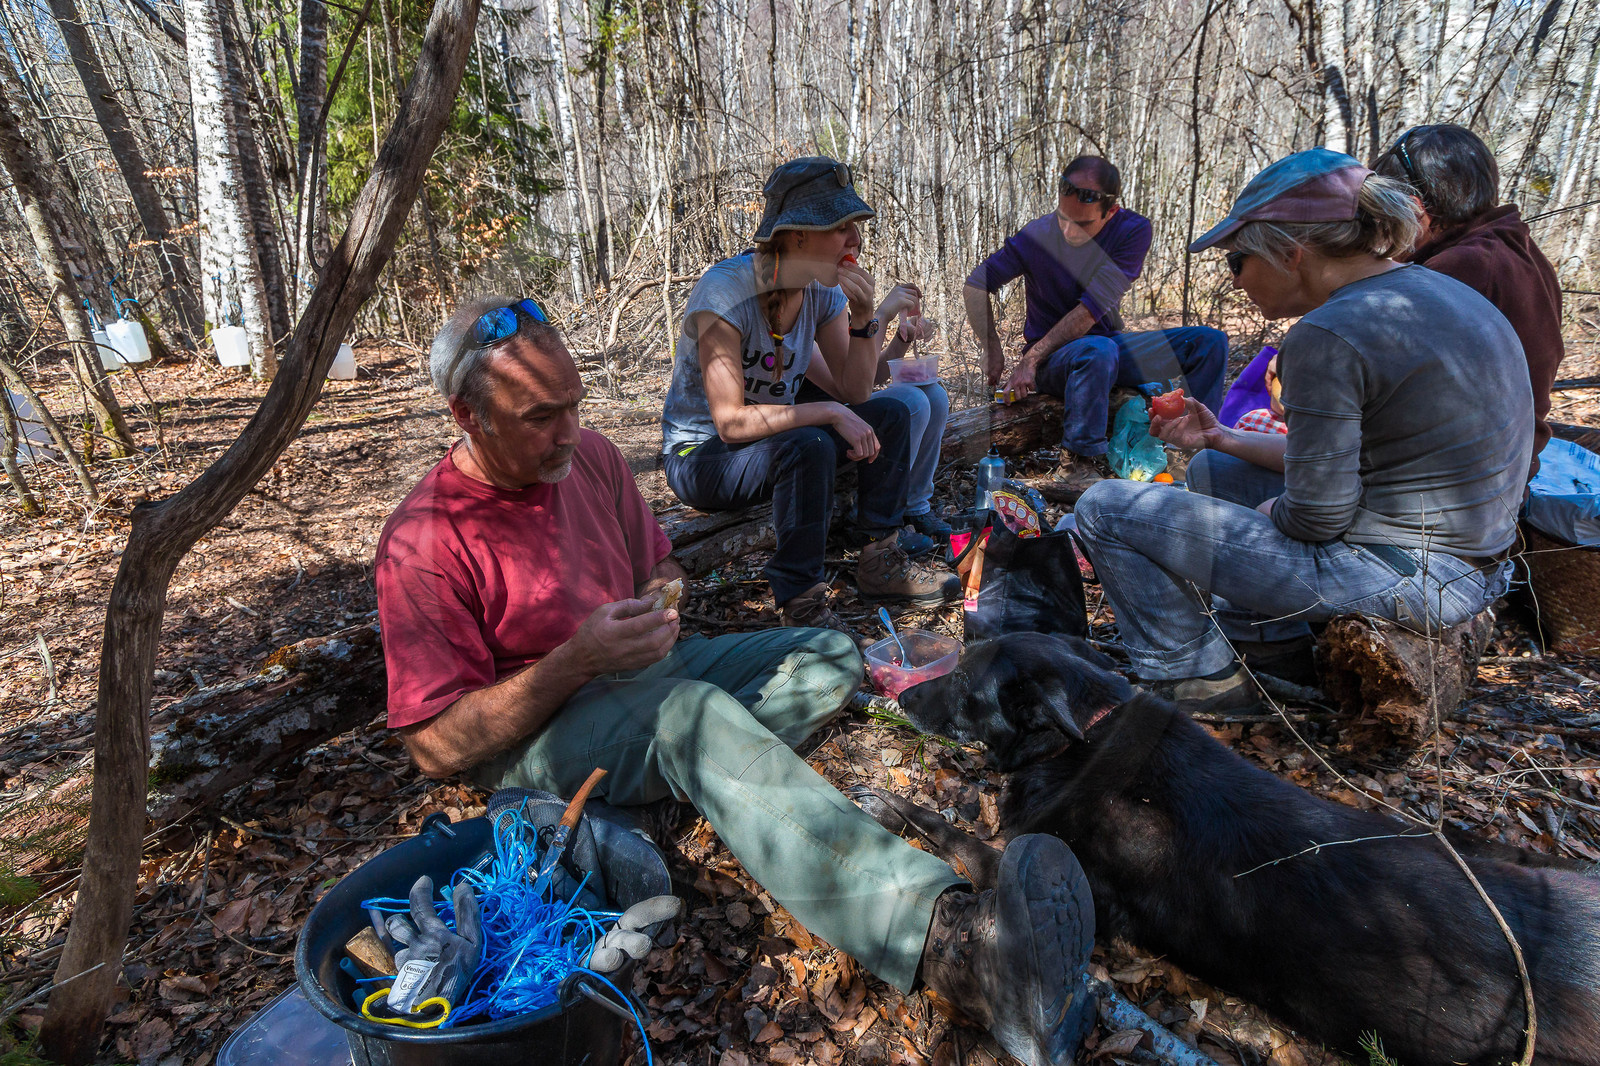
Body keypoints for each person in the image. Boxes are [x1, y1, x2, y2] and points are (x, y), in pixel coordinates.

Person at [374, 295, 1097, 1066]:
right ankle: (949, 943)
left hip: (642, 674)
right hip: (542, 726)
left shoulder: (591, 458)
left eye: (575, 405)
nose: (568, 431)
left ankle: (677, 785)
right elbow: (432, 745)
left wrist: (662, 600)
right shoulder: (425, 538)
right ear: (466, 414)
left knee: (828, 655)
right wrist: (577, 660)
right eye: (540, 416)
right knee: (695, 719)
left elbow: (658, 561)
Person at [1073, 148, 1532, 711]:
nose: (1235, 280)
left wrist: (1272, 516)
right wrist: (1223, 437)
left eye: (1236, 261)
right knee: (1219, 467)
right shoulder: (1441, 293)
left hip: (1407, 576)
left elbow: (1317, 516)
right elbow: (1359, 464)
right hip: (1473, 566)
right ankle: (1269, 648)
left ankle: (1195, 678)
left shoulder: (1328, 333)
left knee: (1105, 508)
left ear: (1290, 253)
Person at [662, 156, 958, 636]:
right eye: (842, 228)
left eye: (856, 227)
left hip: (769, 446)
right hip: (700, 455)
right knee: (809, 443)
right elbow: (731, 423)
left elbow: (855, 388)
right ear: (798, 233)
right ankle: (801, 601)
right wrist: (827, 411)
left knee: (892, 413)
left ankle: (879, 557)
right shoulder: (726, 292)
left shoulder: (822, 294)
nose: (856, 242)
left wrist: (866, 320)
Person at [964, 155, 1229, 501]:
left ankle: (1191, 451)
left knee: (1209, 343)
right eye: (1063, 218)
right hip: (1056, 361)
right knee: (1097, 351)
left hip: (1100, 345)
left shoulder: (1132, 231)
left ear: (1111, 212)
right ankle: (1077, 464)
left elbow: (1091, 311)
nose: (1069, 231)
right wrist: (992, 346)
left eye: (1084, 224)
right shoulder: (1037, 236)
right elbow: (976, 284)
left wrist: (1028, 358)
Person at [1373, 124, 1565, 477]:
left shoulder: (1462, 268)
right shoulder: (1521, 252)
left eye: (1386, 215)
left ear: (1414, 210)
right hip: (1498, 474)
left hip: (1453, 488)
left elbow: (1379, 385)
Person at [799, 298, 952, 542]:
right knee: (912, 400)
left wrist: (902, 339)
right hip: (817, 423)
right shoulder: (805, 312)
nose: (851, 265)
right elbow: (852, 388)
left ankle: (915, 505)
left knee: (935, 396)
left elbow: (870, 375)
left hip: (847, 408)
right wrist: (879, 316)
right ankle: (877, 514)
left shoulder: (833, 307)